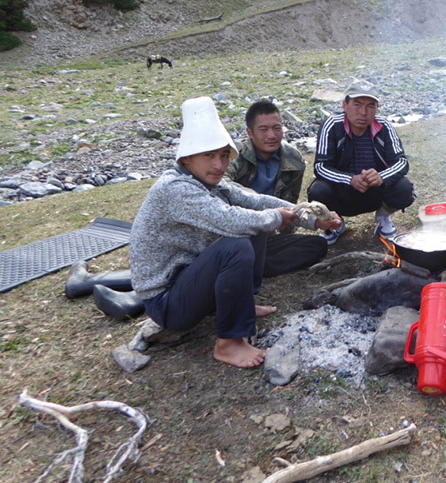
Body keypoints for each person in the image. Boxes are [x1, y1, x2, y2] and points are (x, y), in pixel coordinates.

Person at [129, 97, 341, 368]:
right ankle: (228, 343)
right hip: (167, 302)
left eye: (223, 155)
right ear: (187, 158)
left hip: (188, 281)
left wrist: (311, 219)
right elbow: (230, 220)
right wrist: (274, 218)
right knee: (239, 240)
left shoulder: (210, 183)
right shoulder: (176, 188)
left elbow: (256, 201)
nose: (218, 165)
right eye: (209, 156)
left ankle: (244, 304)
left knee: (256, 223)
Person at [226, 100, 330, 276]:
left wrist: (313, 220)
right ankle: (245, 264)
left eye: (277, 128)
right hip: (235, 231)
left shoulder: (293, 159)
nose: (272, 135)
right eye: (263, 129)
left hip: (269, 234)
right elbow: (223, 187)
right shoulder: (234, 154)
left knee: (317, 245)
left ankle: (249, 266)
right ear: (249, 132)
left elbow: (291, 204)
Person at [308, 81, 416, 244]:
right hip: (342, 192)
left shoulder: (384, 126)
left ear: (376, 108)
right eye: (357, 105)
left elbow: (401, 162)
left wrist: (381, 177)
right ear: (345, 105)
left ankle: (383, 217)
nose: (363, 112)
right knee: (318, 191)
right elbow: (321, 167)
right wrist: (350, 179)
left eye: (370, 106)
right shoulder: (332, 125)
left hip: (375, 191)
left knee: (405, 188)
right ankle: (334, 222)